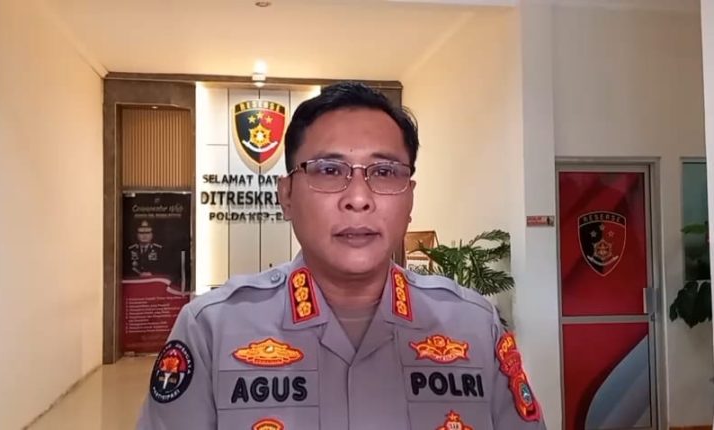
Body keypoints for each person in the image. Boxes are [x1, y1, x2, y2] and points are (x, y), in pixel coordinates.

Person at [136, 82, 547, 429]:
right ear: (286, 196)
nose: (358, 198)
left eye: (384, 172)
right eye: (329, 171)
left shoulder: (474, 326)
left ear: (409, 199)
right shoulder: (211, 330)